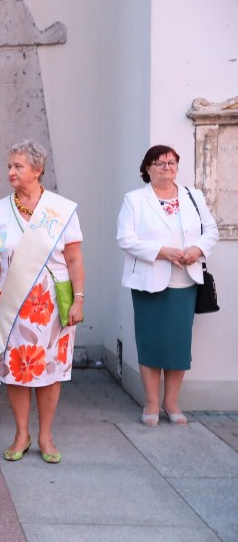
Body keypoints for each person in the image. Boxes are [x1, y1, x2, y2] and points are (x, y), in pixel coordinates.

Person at [0, 140, 84, 464]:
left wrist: (79, 299)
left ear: (37, 170)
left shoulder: (60, 210)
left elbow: (76, 260)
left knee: (49, 371)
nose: (10, 172)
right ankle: (21, 433)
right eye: (9, 166)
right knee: (16, 370)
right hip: (12, 305)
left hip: (51, 305)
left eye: (18, 166)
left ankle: (45, 435)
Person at [116, 145, 218, 426]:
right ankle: (151, 402)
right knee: (150, 343)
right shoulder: (135, 200)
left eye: (171, 162)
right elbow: (125, 238)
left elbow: (211, 230)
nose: (166, 167)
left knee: (178, 345)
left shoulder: (192, 196)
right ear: (147, 168)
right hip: (149, 281)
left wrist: (196, 249)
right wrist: (163, 251)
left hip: (185, 282)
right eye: (159, 163)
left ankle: (171, 402)